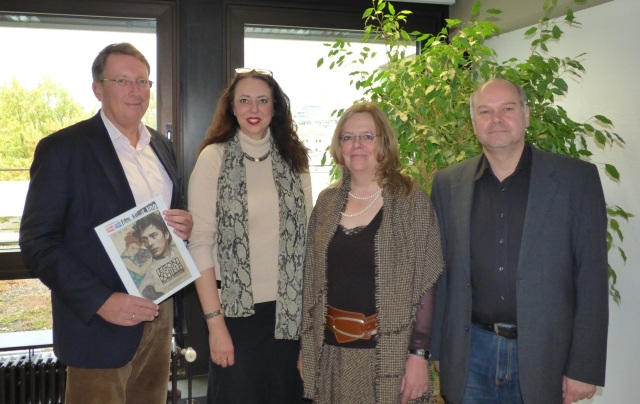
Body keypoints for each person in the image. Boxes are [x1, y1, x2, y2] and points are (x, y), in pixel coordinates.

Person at [19, 42, 193, 404]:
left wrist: (183, 226)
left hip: (158, 317)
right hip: (100, 324)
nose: (136, 91)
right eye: (122, 81)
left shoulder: (160, 147)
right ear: (98, 88)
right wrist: (101, 301)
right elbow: (39, 242)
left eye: (143, 82)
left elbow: (164, 223)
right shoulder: (63, 148)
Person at [430, 78, 609, 404]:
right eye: (485, 111)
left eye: (507, 109)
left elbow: (592, 276)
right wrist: (441, 349)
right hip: (471, 353)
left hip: (545, 354)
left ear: (526, 115)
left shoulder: (575, 180)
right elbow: (442, 276)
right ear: (474, 123)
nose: (496, 119)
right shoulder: (447, 184)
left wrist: (585, 366)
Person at [300, 101, 443, 403]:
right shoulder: (326, 203)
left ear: (384, 143)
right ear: (339, 146)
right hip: (331, 353)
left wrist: (419, 356)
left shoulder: (410, 201)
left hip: (388, 355)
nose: (357, 145)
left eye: (367, 136)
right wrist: (307, 347)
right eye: (348, 137)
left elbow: (428, 282)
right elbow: (311, 284)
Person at [188, 68, 312, 403]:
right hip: (234, 316)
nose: (253, 109)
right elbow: (199, 243)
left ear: (275, 108)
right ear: (231, 107)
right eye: (244, 100)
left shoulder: (295, 159)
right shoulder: (213, 158)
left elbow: (309, 238)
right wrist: (215, 326)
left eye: (262, 100)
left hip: (290, 315)